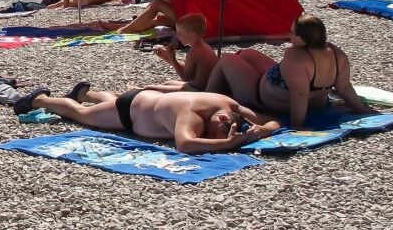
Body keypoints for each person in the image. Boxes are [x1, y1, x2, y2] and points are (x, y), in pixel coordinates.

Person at [14, 85, 280, 155]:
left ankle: (86, 93)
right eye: (219, 131)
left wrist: (260, 130)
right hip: (129, 111)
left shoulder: (229, 105)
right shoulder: (192, 115)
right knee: (80, 115)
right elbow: (186, 144)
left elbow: (272, 121)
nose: (216, 136)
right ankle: (40, 99)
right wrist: (229, 144)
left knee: (107, 105)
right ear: (221, 118)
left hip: (145, 99)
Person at [206, 14, 371, 126]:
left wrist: (297, 125)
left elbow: (299, 94)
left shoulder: (296, 57)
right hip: (315, 101)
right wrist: (361, 109)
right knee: (247, 53)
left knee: (227, 59)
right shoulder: (336, 53)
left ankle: (206, 97)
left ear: (302, 38)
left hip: (262, 99)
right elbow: (344, 87)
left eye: (292, 33)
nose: (288, 35)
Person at [148, 13, 218, 91]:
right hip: (203, 87)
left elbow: (185, 77)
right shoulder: (204, 47)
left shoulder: (193, 53)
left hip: (196, 90)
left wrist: (172, 58)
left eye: (180, 33)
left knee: (151, 88)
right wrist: (166, 56)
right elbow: (189, 70)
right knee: (168, 83)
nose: (177, 36)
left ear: (192, 35)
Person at [114, 0, 178, 34]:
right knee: (158, 19)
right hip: (184, 17)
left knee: (157, 3)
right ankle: (126, 27)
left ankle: (127, 29)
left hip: (185, 19)